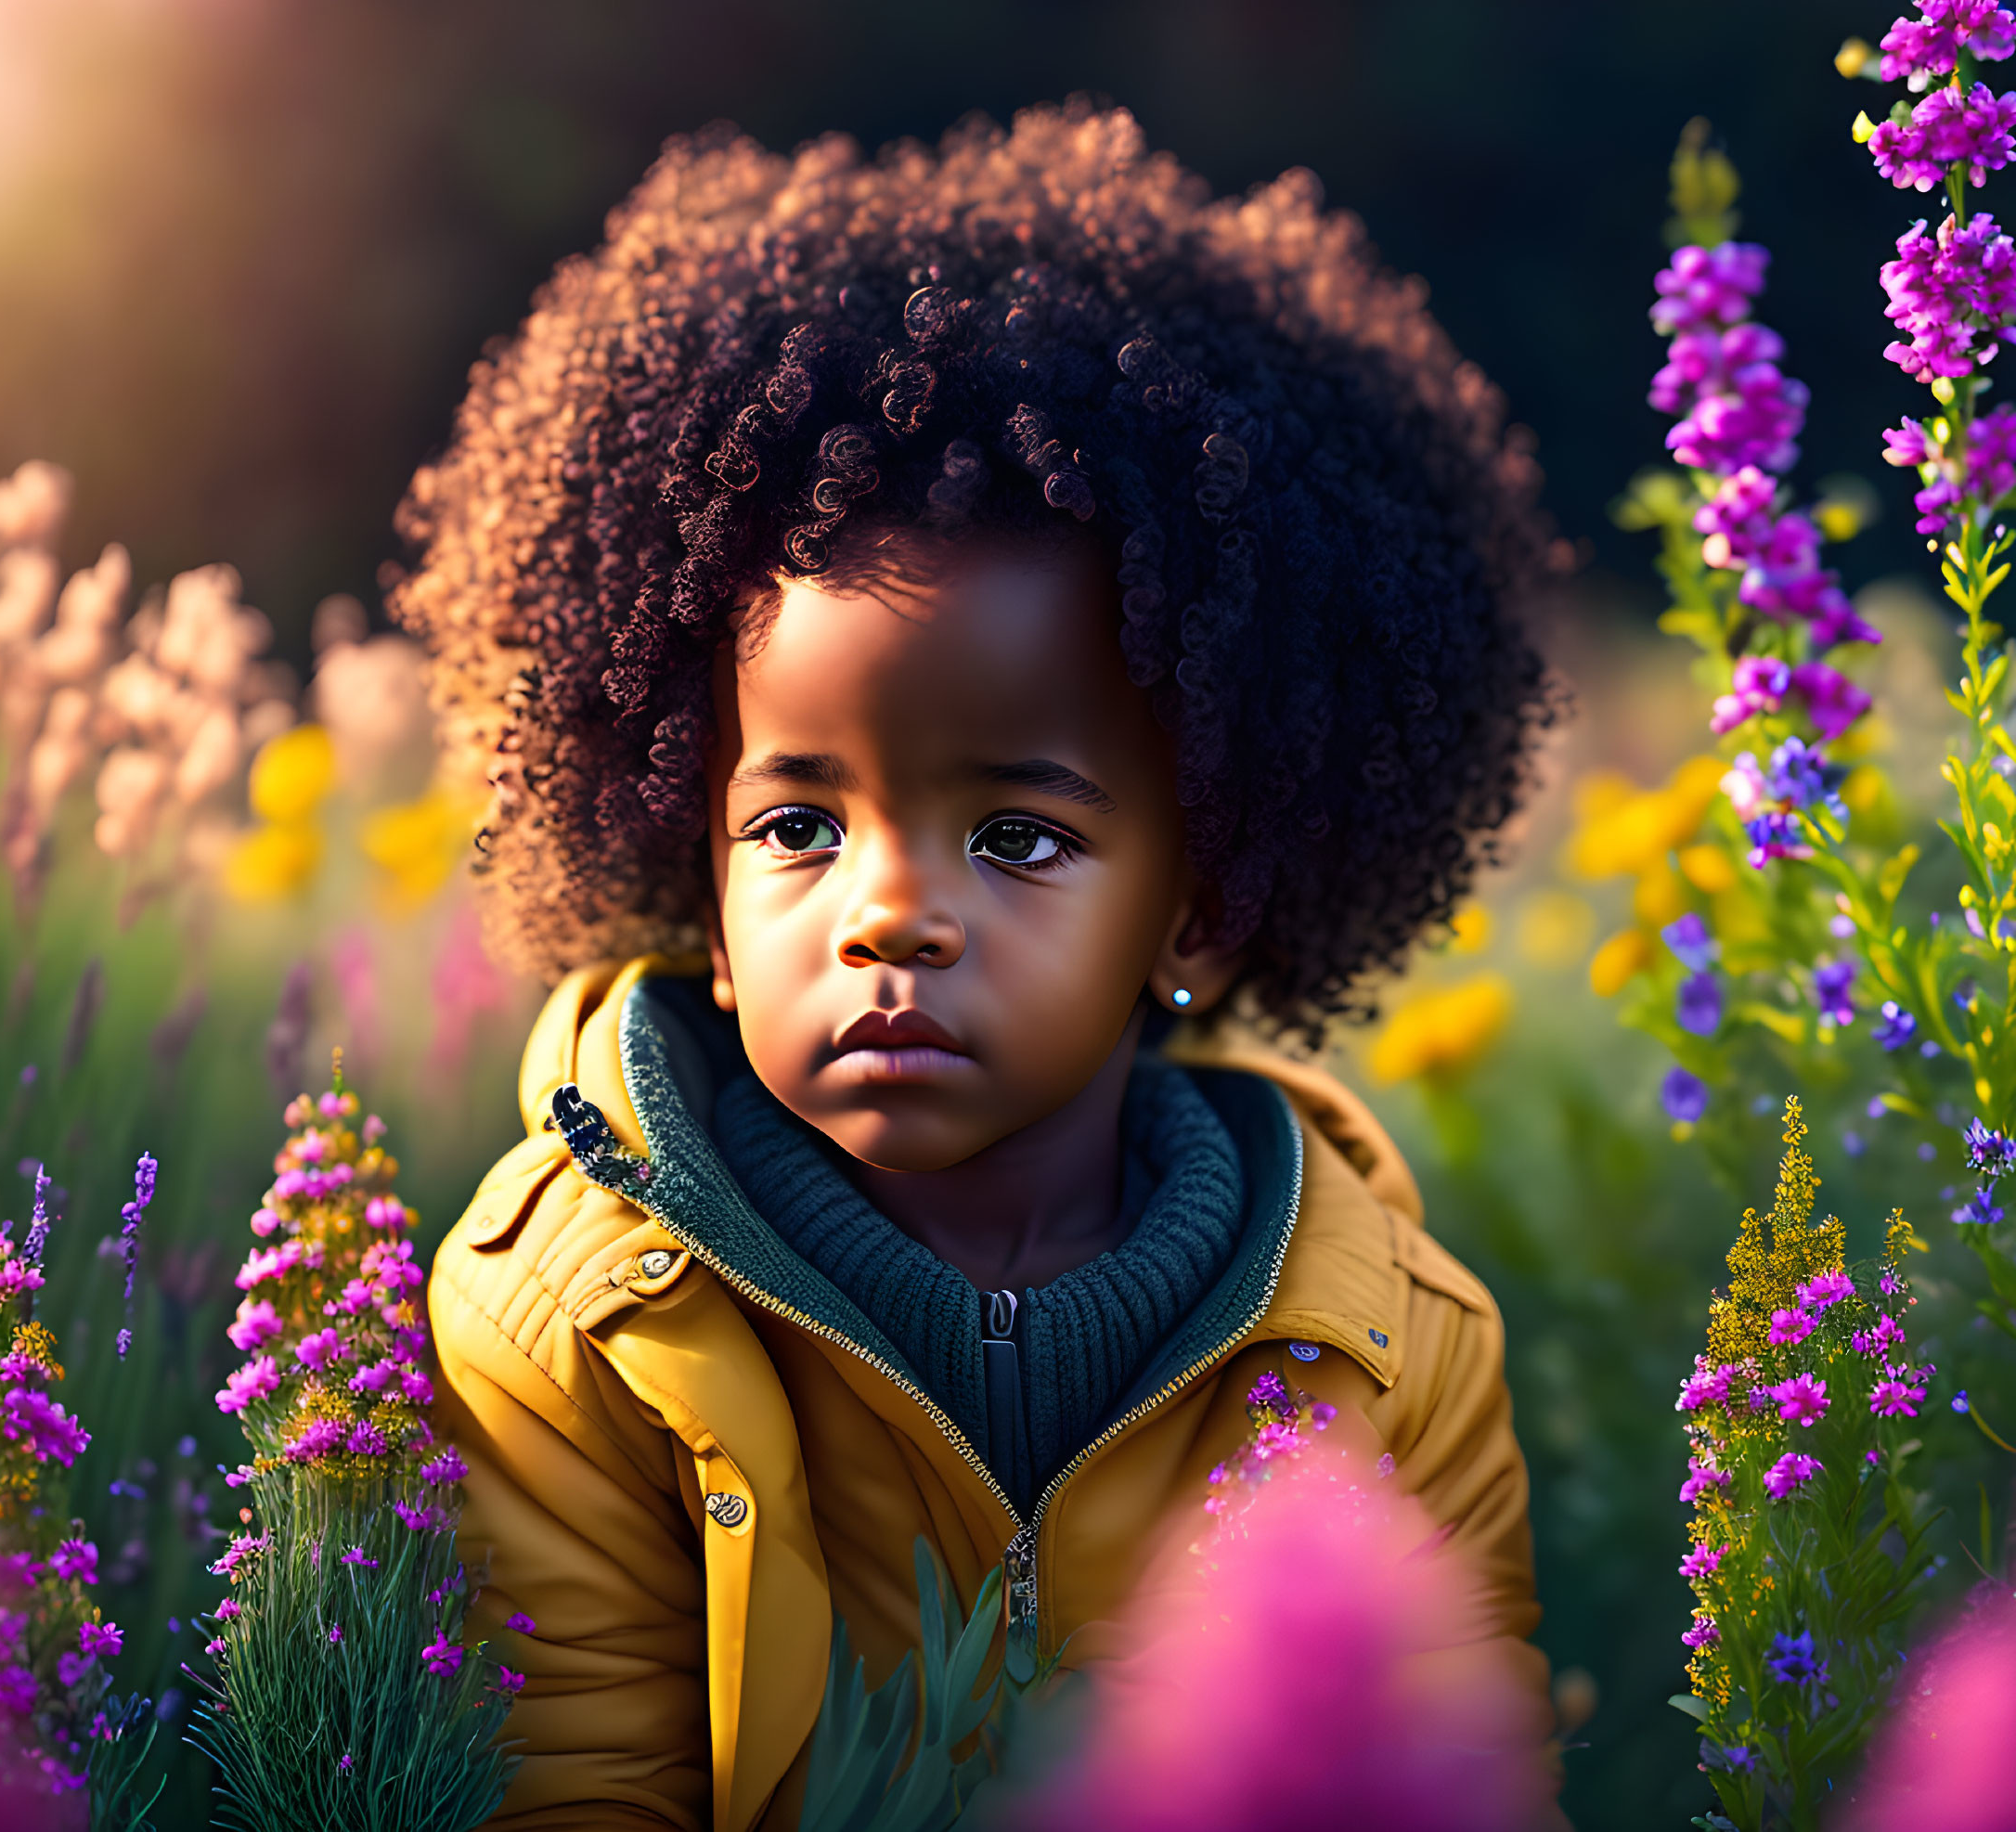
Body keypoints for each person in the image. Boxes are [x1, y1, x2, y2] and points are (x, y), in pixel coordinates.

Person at [402, 98, 1561, 1831]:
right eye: (795, 827)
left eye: (1017, 837)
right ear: (688, 866)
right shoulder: (570, 1330)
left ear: (1200, 900)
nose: (888, 910)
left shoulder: (1395, 1355)